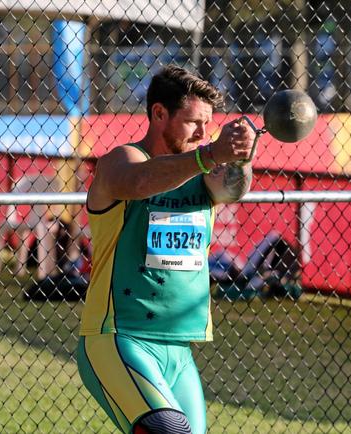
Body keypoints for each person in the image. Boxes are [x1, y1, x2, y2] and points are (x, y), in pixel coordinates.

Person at [75, 64, 255, 434]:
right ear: (159, 113)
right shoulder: (119, 162)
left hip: (178, 347)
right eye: (193, 123)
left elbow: (234, 188)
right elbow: (140, 181)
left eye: (209, 124)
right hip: (118, 337)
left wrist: (241, 157)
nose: (204, 134)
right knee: (170, 431)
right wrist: (210, 155)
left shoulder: (203, 174)